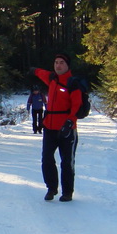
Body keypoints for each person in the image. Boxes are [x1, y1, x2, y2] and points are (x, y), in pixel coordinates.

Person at [33, 53, 83, 202]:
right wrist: (34, 70)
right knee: (47, 159)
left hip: (66, 129)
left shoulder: (73, 83)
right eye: (56, 62)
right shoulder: (52, 78)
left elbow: (77, 105)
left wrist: (69, 122)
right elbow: (41, 73)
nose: (58, 65)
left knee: (67, 162)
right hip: (49, 127)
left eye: (61, 62)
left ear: (67, 65)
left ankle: (67, 192)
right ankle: (51, 188)